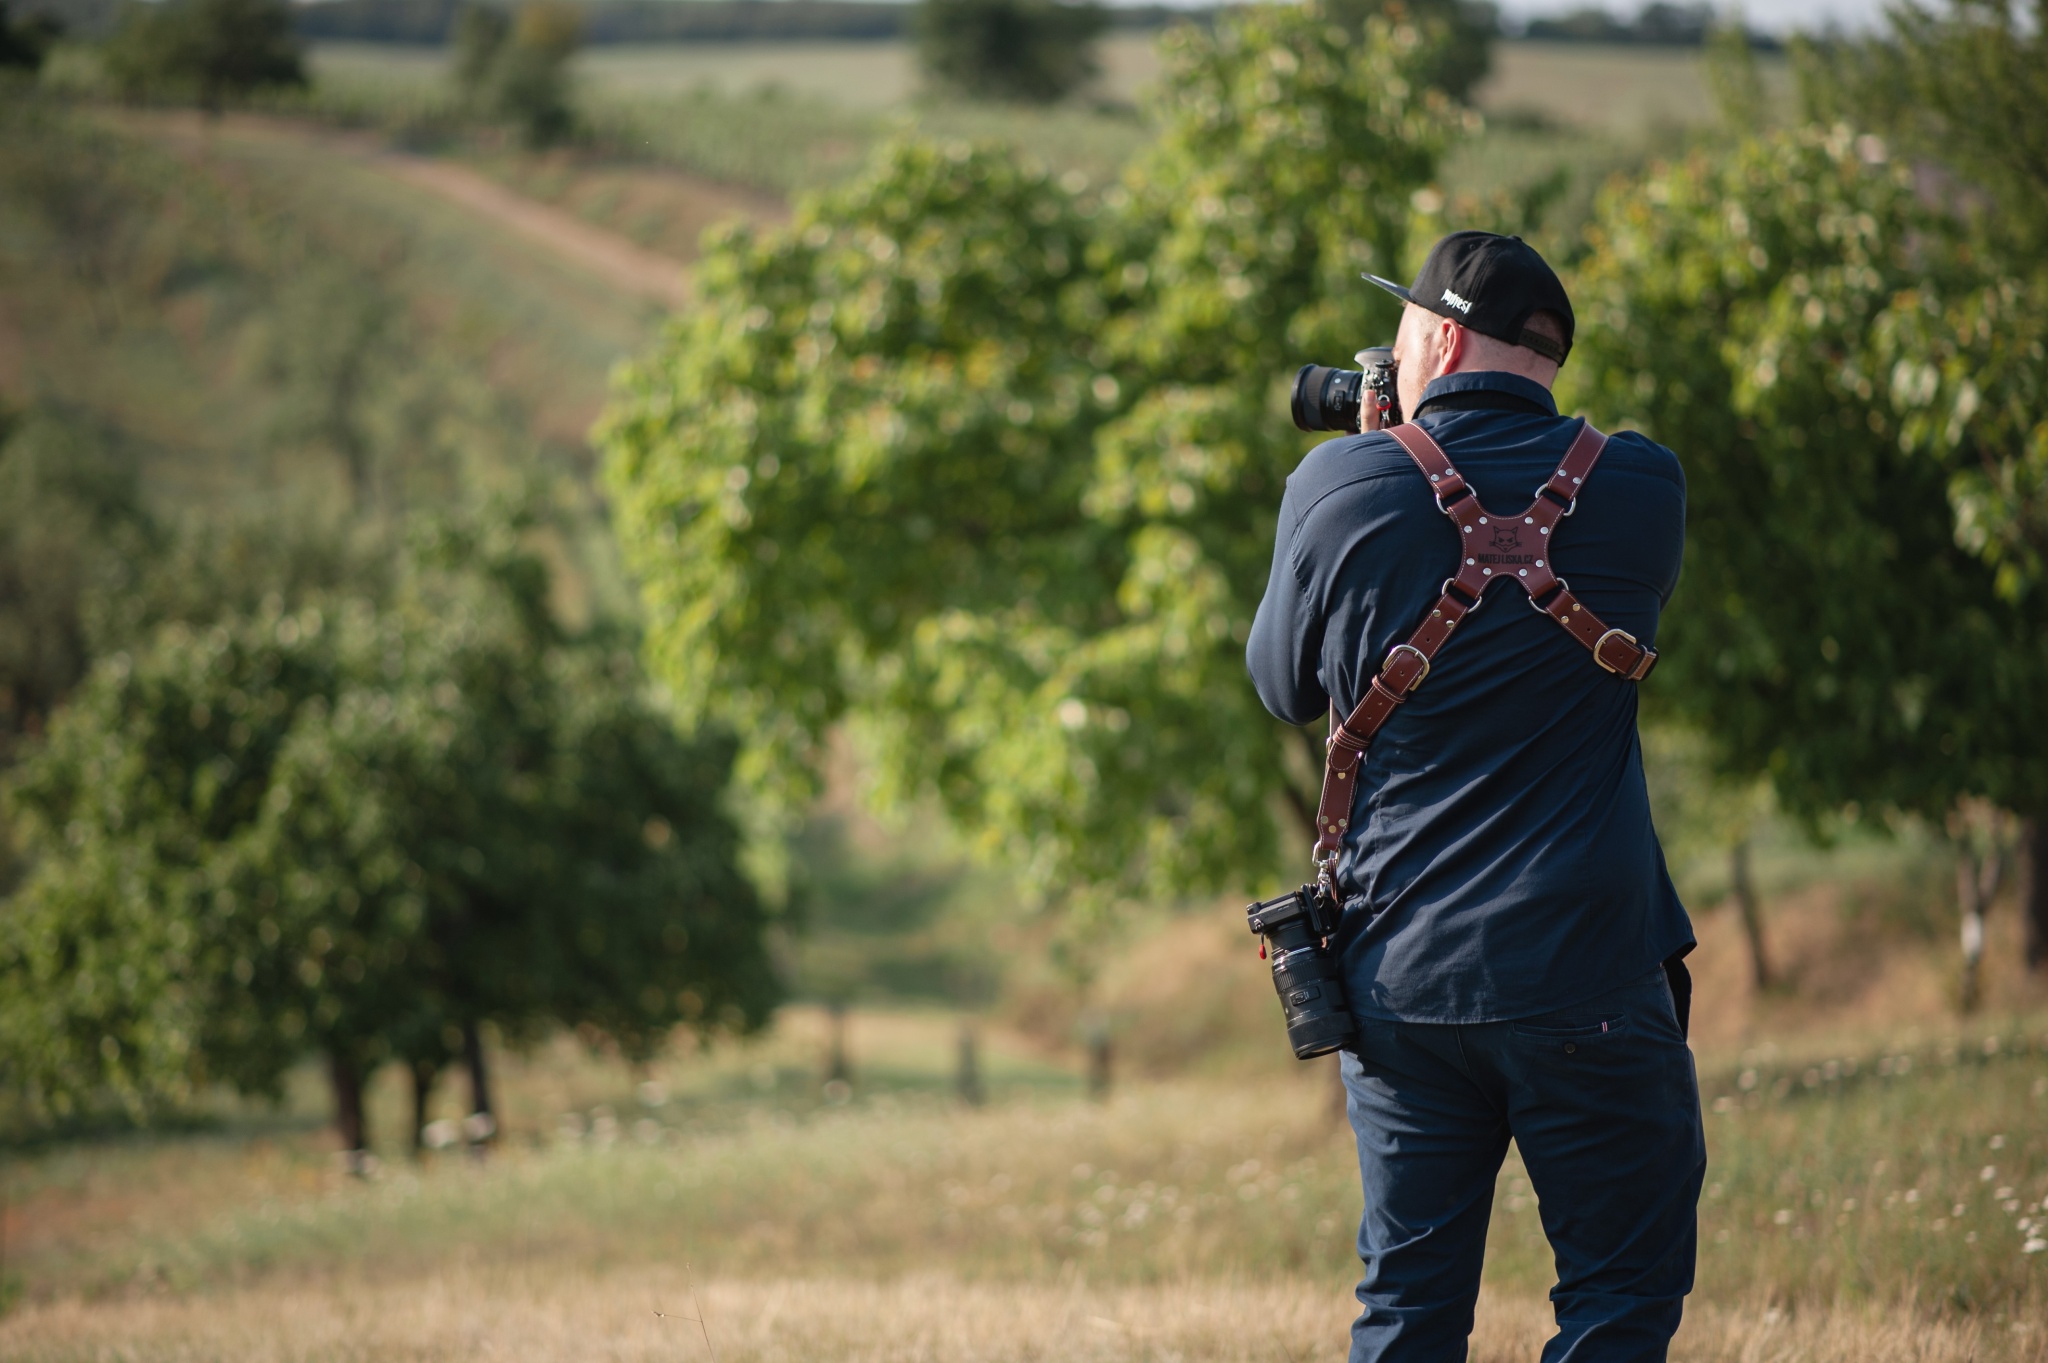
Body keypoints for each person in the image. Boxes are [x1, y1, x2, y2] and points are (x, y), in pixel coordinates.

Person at [1246, 231, 1704, 1362]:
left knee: (1405, 1309)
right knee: (1615, 1299)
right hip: (1591, 972)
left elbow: (1280, 687)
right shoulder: (1642, 483)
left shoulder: (1336, 481)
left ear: (1437, 337)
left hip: (1401, 981)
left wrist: (1369, 458)